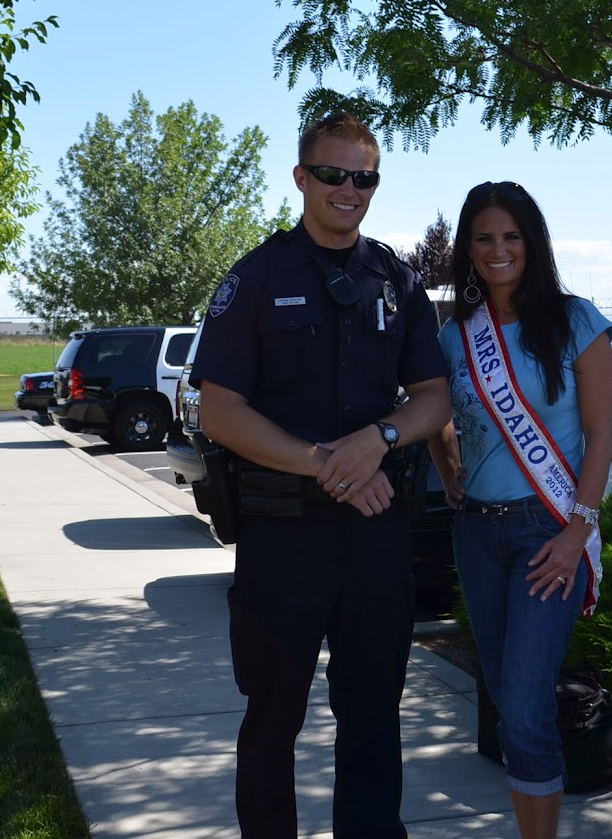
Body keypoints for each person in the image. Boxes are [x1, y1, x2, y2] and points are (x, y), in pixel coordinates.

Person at [192, 111, 450, 839]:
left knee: (373, 717)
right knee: (273, 720)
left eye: (363, 176)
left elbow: (434, 398)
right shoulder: (256, 277)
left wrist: (380, 437)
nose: (349, 189)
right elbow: (220, 410)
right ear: (302, 177)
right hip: (283, 541)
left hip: (373, 540)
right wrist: (328, 465)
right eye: (333, 174)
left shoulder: (397, 282)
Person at [427, 180, 612, 839]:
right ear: (468, 250)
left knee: (529, 706)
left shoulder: (578, 322)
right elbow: (437, 417)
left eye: (511, 237)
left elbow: (600, 437)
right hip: (477, 533)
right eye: (484, 238)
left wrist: (576, 532)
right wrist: (450, 470)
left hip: (547, 529)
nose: (498, 250)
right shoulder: (456, 338)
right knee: (508, 702)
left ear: (532, 243)